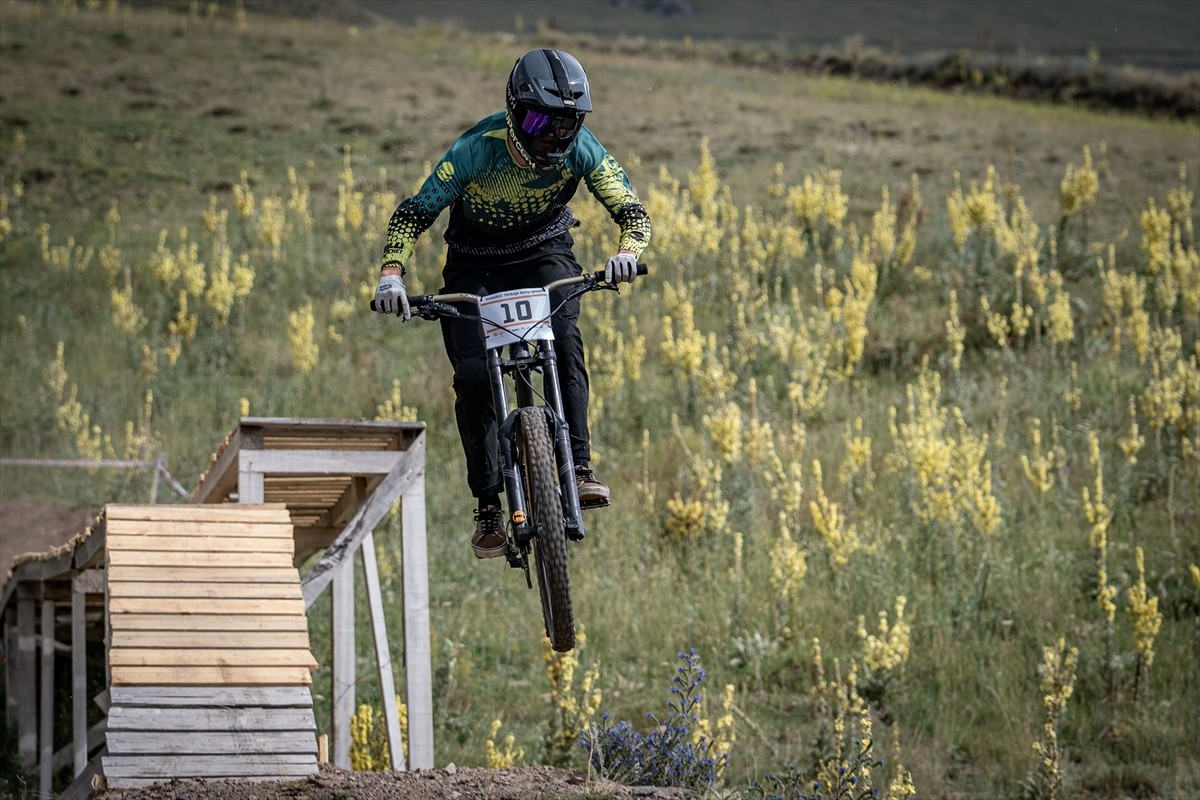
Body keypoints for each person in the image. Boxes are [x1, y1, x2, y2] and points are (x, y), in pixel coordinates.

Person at [372, 48, 651, 559]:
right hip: (473, 264)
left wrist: (628, 254)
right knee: (475, 378)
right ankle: (487, 508)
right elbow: (413, 214)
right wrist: (392, 275)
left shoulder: (582, 149)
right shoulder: (476, 150)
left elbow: (632, 211)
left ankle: (581, 469)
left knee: (565, 341)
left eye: (568, 123)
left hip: (543, 252)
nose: (554, 135)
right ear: (514, 109)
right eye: (541, 119)